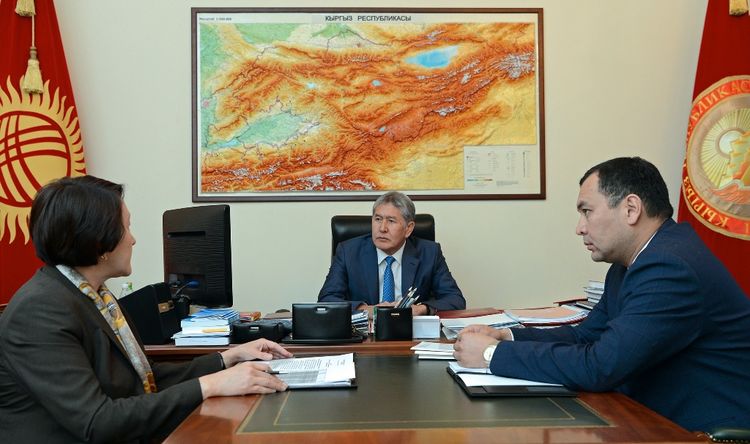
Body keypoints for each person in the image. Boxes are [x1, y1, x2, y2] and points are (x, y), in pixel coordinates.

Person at [454, 157, 750, 432]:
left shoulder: (668, 267)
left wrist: (491, 354)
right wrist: (508, 336)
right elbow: (586, 336)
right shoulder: (631, 263)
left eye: (587, 212)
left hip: (701, 433)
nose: (579, 228)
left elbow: (600, 366)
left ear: (631, 209)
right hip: (648, 418)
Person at [0, 176, 292, 443]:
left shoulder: (94, 296)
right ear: (99, 241)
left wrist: (227, 359)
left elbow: (143, 378)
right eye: (126, 227)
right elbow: (97, 421)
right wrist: (210, 385)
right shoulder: (39, 311)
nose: (133, 239)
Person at [318, 191, 465, 315]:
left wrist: (420, 309)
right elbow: (327, 300)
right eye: (378, 219)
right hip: (365, 333)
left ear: (408, 228)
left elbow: (455, 300)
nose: (382, 228)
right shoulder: (348, 251)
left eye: (391, 221)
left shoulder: (429, 253)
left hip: (411, 333)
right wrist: (368, 310)